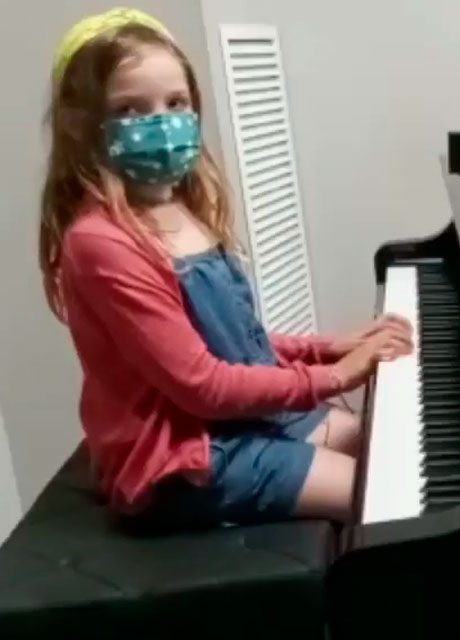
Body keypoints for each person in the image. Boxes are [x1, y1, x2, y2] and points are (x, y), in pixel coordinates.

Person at [38, 8, 412, 528]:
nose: (162, 123)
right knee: (383, 497)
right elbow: (203, 384)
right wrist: (335, 376)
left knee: (391, 450)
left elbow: (234, 345)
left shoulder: (181, 208)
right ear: (84, 126)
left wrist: (329, 346)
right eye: (130, 109)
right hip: (184, 456)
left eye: (176, 103)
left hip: (234, 424)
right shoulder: (101, 242)